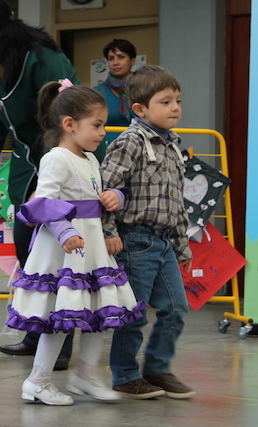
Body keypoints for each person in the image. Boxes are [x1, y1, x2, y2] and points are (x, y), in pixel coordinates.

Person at [7, 80, 143, 406]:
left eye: (103, 126)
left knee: (98, 311)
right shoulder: (56, 158)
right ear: (70, 124)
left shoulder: (91, 159)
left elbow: (96, 198)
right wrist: (65, 232)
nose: (103, 133)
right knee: (60, 319)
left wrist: (115, 196)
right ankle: (37, 380)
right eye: (97, 125)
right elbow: (45, 202)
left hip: (91, 248)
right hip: (63, 251)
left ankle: (86, 374)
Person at [0, 0, 78, 363]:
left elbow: (70, 117)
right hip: (24, 163)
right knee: (26, 251)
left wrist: (54, 177)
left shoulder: (43, 59)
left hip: (59, 160)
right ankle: (36, 333)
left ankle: (60, 344)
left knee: (54, 256)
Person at [101, 64, 195, 399]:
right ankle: (125, 375)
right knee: (134, 312)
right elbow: (105, 190)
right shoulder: (130, 142)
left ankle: (157, 368)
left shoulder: (173, 146)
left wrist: (182, 246)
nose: (175, 108)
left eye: (178, 101)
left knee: (177, 307)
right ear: (140, 109)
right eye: (165, 102)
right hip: (135, 241)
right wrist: (109, 232)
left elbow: (176, 202)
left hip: (165, 242)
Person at [93, 39, 137, 162]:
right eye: (111, 58)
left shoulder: (144, 90)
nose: (115, 62)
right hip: (106, 156)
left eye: (121, 57)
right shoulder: (98, 93)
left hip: (137, 153)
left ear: (132, 60)